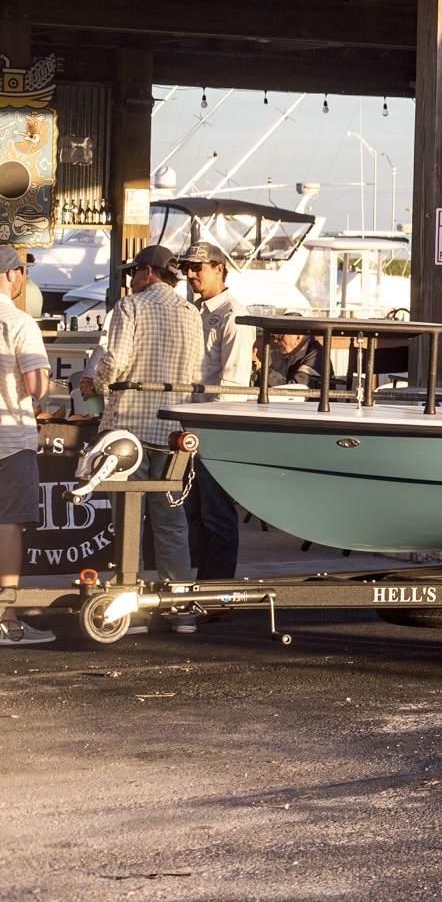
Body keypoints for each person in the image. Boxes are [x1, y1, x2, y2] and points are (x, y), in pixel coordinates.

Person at [79, 245, 204, 630]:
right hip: (172, 429)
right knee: (171, 518)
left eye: (133, 272)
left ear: (147, 272)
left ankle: (128, 607)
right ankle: (181, 607)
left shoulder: (131, 306)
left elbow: (114, 360)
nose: (130, 279)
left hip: (130, 427)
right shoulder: (191, 313)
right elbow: (196, 369)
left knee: (129, 518)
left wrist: (94, 383)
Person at [180, 240, 258, 582]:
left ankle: (217, 593)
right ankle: (202, 587)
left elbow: (234, 384)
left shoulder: (234, 316)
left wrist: (217, 433)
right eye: (188, 267)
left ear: (219, 268)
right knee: (194, 511)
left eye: (198, 267)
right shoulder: (196, 312)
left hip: (215, 426)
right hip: (192, 424)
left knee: (217, 514)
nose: (191, 273)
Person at [0, 247, 51, 645]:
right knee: (6, 525)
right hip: (9, 440)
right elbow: (36, 388)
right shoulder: (19, 323)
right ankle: (8, 618)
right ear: (13, 276)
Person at [263, 328, 330, 389]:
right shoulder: (289, 353)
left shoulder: (317, 355)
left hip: (312, 402)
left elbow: (294, 388)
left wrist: (263, 369)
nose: (275, 340)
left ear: (297, 337)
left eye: (281, 336)